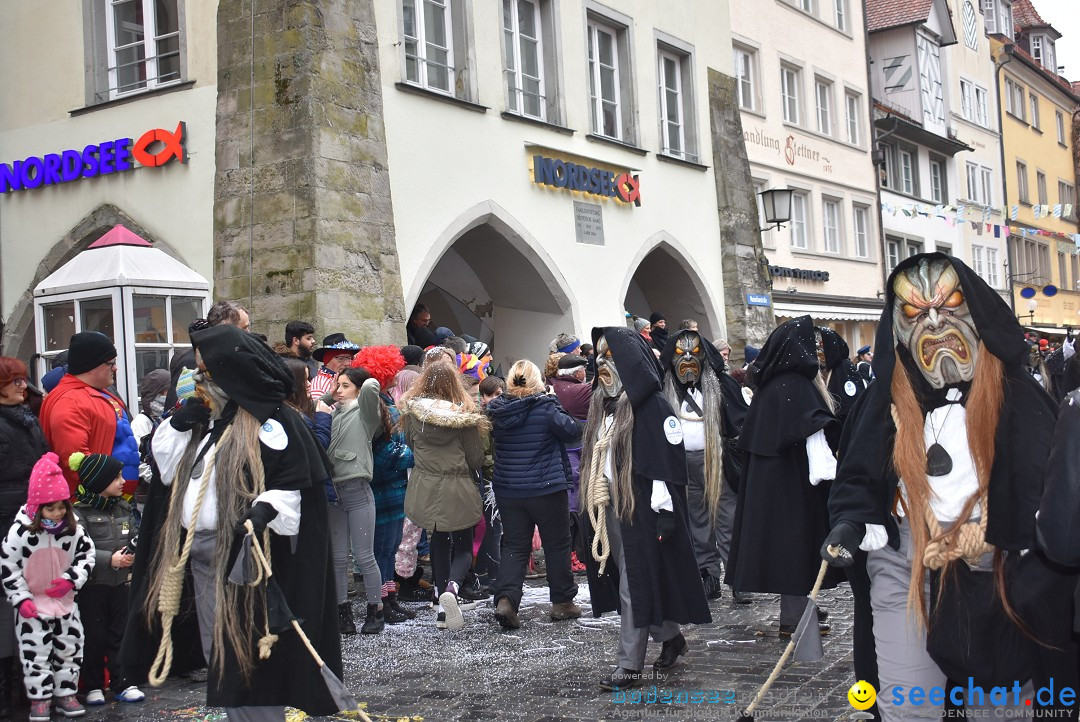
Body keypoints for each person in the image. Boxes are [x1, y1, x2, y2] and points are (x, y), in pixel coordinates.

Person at [823, 254, 1078, 722]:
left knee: (996, 703)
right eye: (916, 312)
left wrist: (1006, 533)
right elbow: (858, 476)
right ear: (897, 329)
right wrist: (851, 523)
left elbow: (1044, 486)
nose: (936, 323)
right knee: (908, 703)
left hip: (991, 562)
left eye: (949, 302)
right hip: (905, 556)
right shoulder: (884, 403)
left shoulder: (1018, 395)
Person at [128, 324, 341, 720]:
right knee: (219, 654)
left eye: (205, 373)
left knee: (251, 657)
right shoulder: (205, 422)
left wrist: (263, 510)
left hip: (249, 559)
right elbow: (168, 472)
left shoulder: (271, 422)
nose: (198, 382)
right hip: (203, 558)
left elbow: (292, 483)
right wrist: (177, 424)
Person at [579, 326, 710, 691]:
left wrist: (666, 510)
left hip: (643, 509)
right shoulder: (602, 405)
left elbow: (666, 463)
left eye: (611, 356)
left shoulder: (652, 407)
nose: (603, 362)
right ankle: (670, 637)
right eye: (599, 356)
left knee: (633, 586)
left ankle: (629, 665)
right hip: (610, 506)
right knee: (631, 578)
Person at [726, 315, 842, 638]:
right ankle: (793, 617)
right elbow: (817, 443)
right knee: (796, 547)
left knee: (790, 548)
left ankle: (800, 607)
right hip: (793, 488)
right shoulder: (797, 387)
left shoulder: (771, 387)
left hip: (775, 487)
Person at [486, 360, 582, 630]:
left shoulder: (496, 411)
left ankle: (506, 599)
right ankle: (562, 602)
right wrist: (554, 401)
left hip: (509, 489)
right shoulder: (546, 407)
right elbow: (572, 431)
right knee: (557, 545)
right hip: (546, 488)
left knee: (514, 546)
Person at [0, 452, 95, 722]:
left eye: (62, 507)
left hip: (65, 603)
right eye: (50, 508)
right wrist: (20, 598)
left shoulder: (73, 530)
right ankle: (39, 699)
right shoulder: (21, 533)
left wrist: (71, 580)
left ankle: (66, 693)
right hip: (34, 606)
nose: (57, 513)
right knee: (35, 653)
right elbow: (8, 565)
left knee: (70, 648)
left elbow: (87, 556)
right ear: (37, 507)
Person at [397, 359, 488, 631]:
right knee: (462, 545)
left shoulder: (413, 414)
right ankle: (453, 588)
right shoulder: (466, 419)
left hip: (425, 486)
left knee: (437, 539)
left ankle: (439, 605)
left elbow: (412, 445)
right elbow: (474, 459)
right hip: (457, 486)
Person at [659, 328, 729, 600]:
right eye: (680, 354)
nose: (687, 358)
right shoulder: (665, 393)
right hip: (683, 464)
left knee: (726, 519)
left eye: (694, 353)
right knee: (698, 520)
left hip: (717, 461)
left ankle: (736, 575)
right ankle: (708, 573)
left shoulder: (721, 387)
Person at [69, 453, 144, 705]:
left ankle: (122, 681)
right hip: (93, 586)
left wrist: (133, 553)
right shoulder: (79, 513)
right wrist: (108, 559)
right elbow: (79, 547)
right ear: (99, 481)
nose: (123, 482)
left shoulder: (123, 507)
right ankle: (92, 685)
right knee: (94, 636)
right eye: (116, 477)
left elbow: (135, 533)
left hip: (121, 583)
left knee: (120, 635)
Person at [350, 346, 415, 624]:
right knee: (381, 549)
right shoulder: (375, 405)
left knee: (390, 546)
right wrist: (411, 456)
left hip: (392, 485)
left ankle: (390, 598)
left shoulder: (383, 399)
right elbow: (381, 450)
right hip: (382, 484)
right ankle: (380, 603)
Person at [0, 357, 49, 716]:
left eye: (23, 380)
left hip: (30, 521)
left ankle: (30, 690)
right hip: (7, 524)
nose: (22, 386)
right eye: (14, 380)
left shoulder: (27, 419)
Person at [326, 366, 390, 634]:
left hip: (357, 489)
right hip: (334, 492)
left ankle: (375, 610)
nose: (338, 391)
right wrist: (333, 396)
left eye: (345, 386)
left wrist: (364, 374)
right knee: (339, 558)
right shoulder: (333, 414)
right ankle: (343, 613)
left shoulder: (365, 413)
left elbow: (372, 386)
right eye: (337, 385)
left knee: (364, 556)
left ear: (358, 389)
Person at [40, 332, 140, 497]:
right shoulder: (70, 401)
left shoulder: (93, 394)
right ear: (93, 365)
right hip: (91, 505)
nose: (115, 368)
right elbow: (75, 460)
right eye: (111, 363)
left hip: (111, 500)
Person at [164, 301, 250, 410]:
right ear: (226, 330)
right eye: (244, 328)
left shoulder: (244, 359)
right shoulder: (196, 362)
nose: (248, 333)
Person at [818, 328, 865, 430]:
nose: (819, 350)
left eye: (822, 345)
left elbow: (850, 402)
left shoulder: (845, 367)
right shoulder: (824, 369)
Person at [309, 334, 359, 401]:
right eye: (340, 359)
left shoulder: (346, 378)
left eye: (349, 358)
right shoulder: (319, 387)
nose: (347, 363)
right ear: (327, 361)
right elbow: (316, 410)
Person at [130, 368, 170, 446]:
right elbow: (141, 454)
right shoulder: (141, 422)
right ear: (158, 393)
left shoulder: (168, 416)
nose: (173, 395)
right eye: (169, 390)